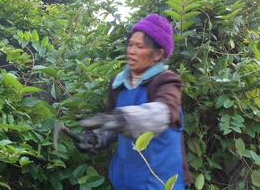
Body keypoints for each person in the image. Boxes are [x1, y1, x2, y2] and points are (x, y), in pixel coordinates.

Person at [76, 14, 193, 190]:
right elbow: (111, 124)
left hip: (160, 179)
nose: (131, 51)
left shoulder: (167, 81)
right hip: (126, 178)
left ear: (158, 54)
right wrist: (95, 137)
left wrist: (122, 119)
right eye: (130, 44)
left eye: (140, 46)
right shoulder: (118, 83)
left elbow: (164, 112)